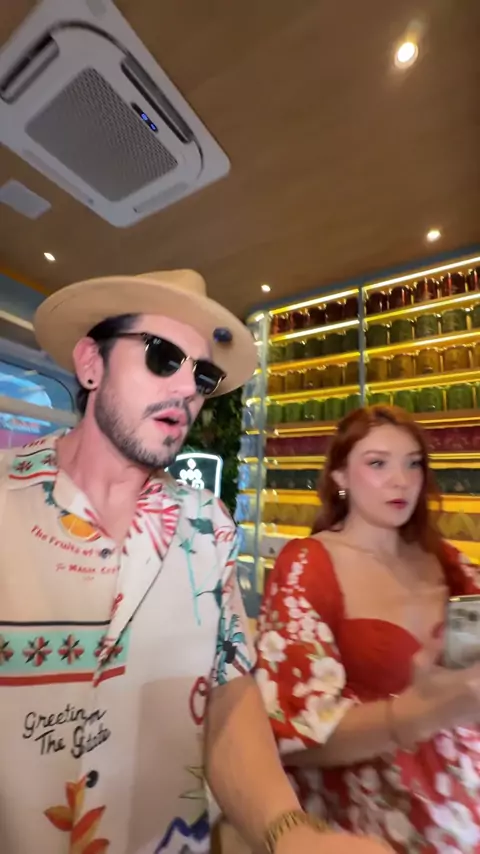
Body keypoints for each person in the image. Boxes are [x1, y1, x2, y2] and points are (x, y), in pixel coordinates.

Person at [0, 270, 390, 854]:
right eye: (162, 357)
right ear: (90, 363)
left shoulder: (209, 526)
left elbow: (229, 701)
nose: (188, 388)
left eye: (202, 375)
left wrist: (289, 832)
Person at [256, 404, 480, 853]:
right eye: (378, 463)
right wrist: (419, 713)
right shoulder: (307, 565)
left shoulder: (449, 561)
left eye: (413, 463)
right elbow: (292, 733)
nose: (401, 480)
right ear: (340, 476)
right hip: (370, 824)